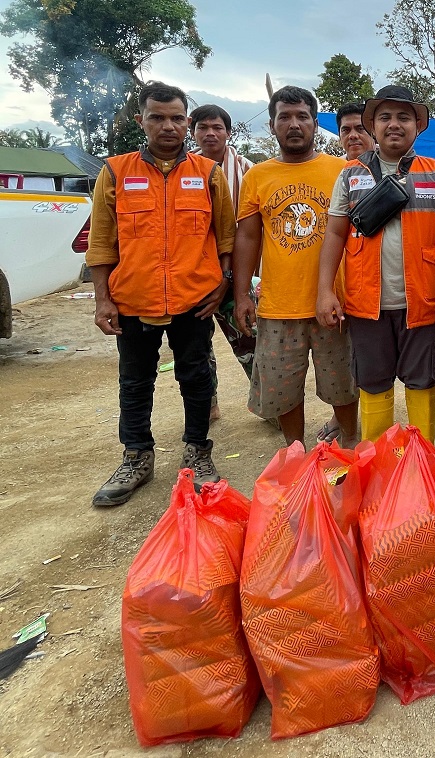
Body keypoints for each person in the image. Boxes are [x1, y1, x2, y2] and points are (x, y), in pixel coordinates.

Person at [87, 81, 233, 507]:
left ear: (186, 122)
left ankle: (197, 453)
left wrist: (222, 283)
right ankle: (136, 456)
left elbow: (226, 237)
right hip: (132, 299)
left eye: (175, 118)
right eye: (157, 117)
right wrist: (102, 298)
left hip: (193, 300)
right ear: (141, 120)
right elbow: (102, 242)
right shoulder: (115, 171)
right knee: (135, 382)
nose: (167, 126)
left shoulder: (208, 173)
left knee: (196, 376)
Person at [316, 85, 435, 444]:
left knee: (423, 380)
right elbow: (334, 235)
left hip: (423, 305)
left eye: (404, 117)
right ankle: (376, 463)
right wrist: (324, 291)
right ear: (372, 126)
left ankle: (422, 458)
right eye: (385, 117)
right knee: (372, 382)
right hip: (367, 307)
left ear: (418, 125)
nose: (394, 124)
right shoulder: (350, 175)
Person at [232, 86, 359, 448]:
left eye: (302, 116)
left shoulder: (342, 171)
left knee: (342, 383)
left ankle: (349, 440)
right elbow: (247, 238)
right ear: (271, 126)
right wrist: (242, 295)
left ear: (315, 124)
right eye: (284, 117)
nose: (294, 124)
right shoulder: (257, 176)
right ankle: (296, 451)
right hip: (278, 305)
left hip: (335, 303)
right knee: (281, 386)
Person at [188, 104, 258, 423]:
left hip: (238, 274)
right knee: (195, 346)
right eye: (203, 128)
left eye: (217, 127)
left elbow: (253, 229)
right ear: (193, 133)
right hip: (192, 273)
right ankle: (207, 403)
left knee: (249, 338)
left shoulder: (248, 171)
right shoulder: (182, 170)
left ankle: (267, 402)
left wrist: (234, 278)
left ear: (228, 132)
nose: (210, 133)